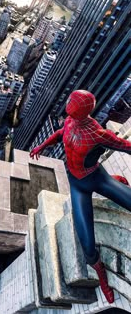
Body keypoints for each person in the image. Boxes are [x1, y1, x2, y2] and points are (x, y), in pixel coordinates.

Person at [30, 90, 131, 303]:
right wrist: (42, 145)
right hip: (77, 184)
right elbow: (60, 135)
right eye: (70, 100)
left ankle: (115, 182)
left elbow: (124, 146)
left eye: (74, 102)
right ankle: (101, 274)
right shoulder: (69, 121)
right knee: (87, 246)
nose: (69, 103)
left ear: (85, 107)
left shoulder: (97, 134)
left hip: (96, 178)